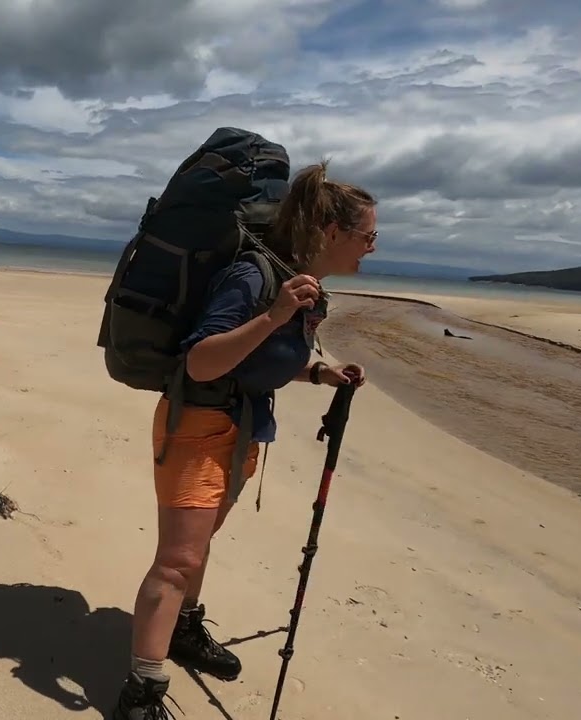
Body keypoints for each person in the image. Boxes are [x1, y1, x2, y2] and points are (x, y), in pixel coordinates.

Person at [113, 160, 378, 719]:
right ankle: (141, 692)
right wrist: (276, 313)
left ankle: (183, 629)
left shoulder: (295, 278)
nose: (372, 247)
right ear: (333, 234)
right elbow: (203, 360)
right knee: (176, 561)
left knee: (199, 546)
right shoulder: (257, 277)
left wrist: (316, 372)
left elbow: (255, 359)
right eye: (368, 236)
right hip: (199, 427)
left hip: (240, 426)